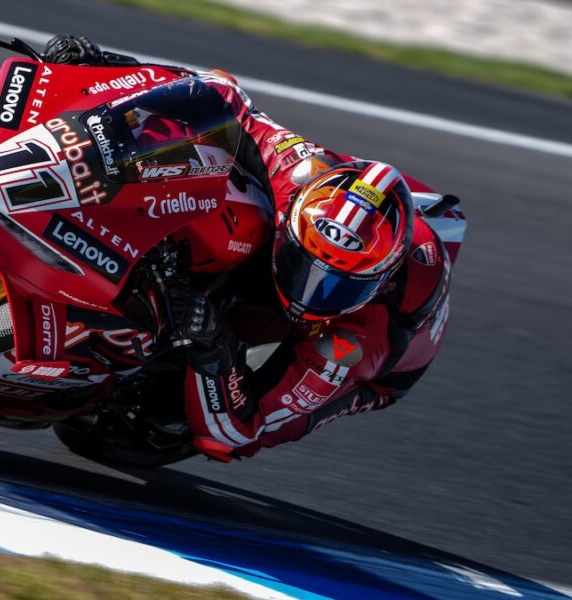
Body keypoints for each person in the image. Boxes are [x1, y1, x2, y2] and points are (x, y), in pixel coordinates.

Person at [43, 35, 453, 462]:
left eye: (336, 286)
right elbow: (220, 94)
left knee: (183, 413)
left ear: (378, 283)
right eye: (304, 265)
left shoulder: (354, 343)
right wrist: (100, 63)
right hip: (333, 204)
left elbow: (241, 433)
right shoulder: (298, 172)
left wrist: (213, 343)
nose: (308, 294)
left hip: (372, 365)